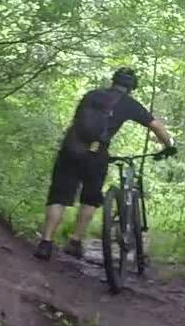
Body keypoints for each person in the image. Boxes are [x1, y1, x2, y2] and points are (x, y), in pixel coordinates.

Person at [35, 66, 176, 261]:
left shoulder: (91, 94)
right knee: (90, 198)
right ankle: (75, 241)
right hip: (96, 153)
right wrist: (169, 146)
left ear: (113, 81)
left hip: (71, 148)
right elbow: (155, 126)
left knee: (59, 196)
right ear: (131, 87)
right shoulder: (129, 104)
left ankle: (46, 243)